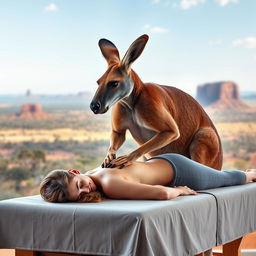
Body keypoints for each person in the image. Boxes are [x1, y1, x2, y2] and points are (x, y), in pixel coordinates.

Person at [40, 153, 256, 203]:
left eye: (80, 185)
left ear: (75, 172)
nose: (86, 191)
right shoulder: (94, 171)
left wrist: (180, 190)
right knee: (228, 176)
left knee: (231, 178)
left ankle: (250, 174)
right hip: (164, 161)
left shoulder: (108, 183)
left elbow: (162, 193)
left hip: (180, 171)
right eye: (79, 195)